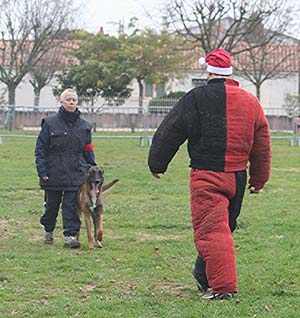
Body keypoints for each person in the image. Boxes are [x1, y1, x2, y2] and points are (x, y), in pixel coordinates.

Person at [148, 49, 271, 300]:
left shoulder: (195, 98)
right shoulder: (250, 101)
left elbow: (170, 131)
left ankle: (223, 288)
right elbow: (262, 144)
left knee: (213, 232)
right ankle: (203, 274)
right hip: (238, 176)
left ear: (209, 72)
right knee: (225, 228)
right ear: (230, 72)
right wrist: (259, 178)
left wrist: (157, 163)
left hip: (207, 175)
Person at [35, 88, 96, 248]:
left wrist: (93, 168)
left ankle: (70, 236)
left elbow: (88, 149)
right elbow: (40, 149)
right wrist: (42, 171)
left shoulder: (85, 126)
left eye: (74, 100)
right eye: (68, 99)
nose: (71, 102)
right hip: (53, 172)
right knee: (51, 208)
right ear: (61, 102)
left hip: (76, 173)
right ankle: (48, 230)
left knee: (70, 207)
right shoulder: (49, 123)